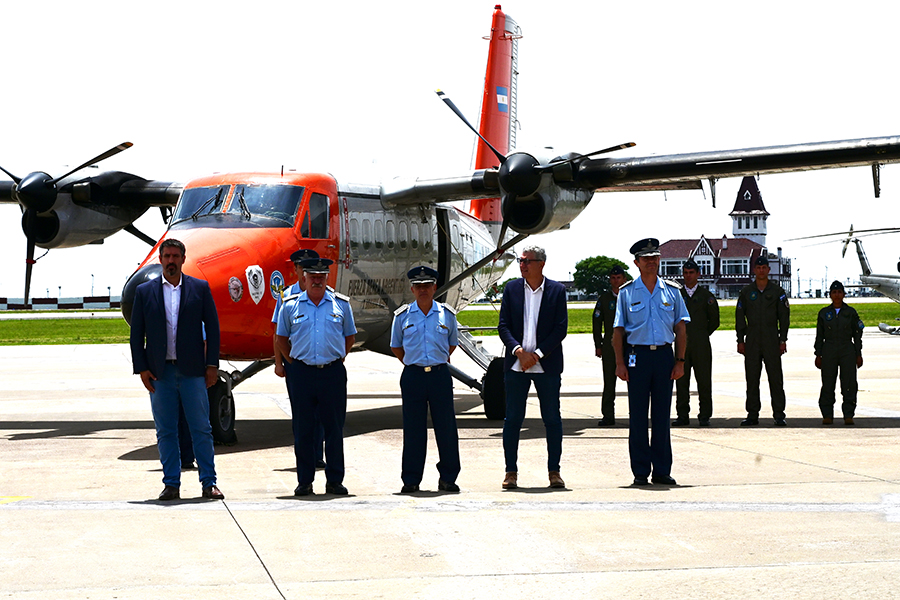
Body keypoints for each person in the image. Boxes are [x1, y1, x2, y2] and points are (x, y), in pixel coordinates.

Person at [129, 238, 224, 501]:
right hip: (161, 373)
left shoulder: (200, 289)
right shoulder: (145, 292)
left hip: (193, 371)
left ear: (183, 259)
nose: (171, 261)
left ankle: (209, 482)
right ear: (160, 260)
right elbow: (136, 334)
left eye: (175, 256)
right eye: (166, 256)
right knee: (166, 430)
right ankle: (171, 483)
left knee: (201, 428)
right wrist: (142, 369)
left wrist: (212, 365)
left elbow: (213, 330)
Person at [275, 257, 356, 496]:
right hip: (302, 374)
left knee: (334, 428)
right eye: (313, 276)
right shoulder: (290, 305)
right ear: (304, 278)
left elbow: (349, 336)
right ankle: (304, 481)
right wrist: (293, 363)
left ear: (327, 278)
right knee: (303, 429)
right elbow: (281, 338)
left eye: (322, 276)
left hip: (332, 373)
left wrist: (336, 358)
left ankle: (334, 480)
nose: (317, 281)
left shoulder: (341, 305)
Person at [613, 238, 689, 486]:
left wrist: (680, 361)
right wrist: (620, 363)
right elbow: (618, 332)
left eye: (655, 258)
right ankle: (640, 472)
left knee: (661, 416)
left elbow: (680, 328)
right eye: (646, 259)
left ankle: (662, 470)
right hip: (637, 357)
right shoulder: (626, 292)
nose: (651, 263)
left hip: (664, 357)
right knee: (637, 417)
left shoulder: (672, 291)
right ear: (636, 262)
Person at [497, 246, 568, 490]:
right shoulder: (512, 289)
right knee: (513, 419)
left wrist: (536, 355)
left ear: (541, 264)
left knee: (552, 419)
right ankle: (510, 472)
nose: (522, 264)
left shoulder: (557, 291)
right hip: (516, 365)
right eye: (521, 260)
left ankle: (554, 471)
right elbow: (503, 325)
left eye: (527, 261)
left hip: (545, 365)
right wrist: (518, 351)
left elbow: (561, 328)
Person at [390, 266, 461, 494]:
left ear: (434, 287)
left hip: (440, 374)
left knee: (446, 428)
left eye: (427, 285)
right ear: (412, 289)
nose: (423, 290)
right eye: (418, 286)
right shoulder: (402, 316)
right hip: (413, 376)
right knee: (413, 430)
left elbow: (452, 344)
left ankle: (448, 478)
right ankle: (411, 479)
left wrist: (434, 361)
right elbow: (396, 346)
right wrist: (414, 362)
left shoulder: (446, 314)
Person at [272, 248, 326, 469]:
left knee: (321, 410)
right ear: (295, 270)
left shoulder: (325, 293)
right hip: (295, 362)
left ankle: (317, 454)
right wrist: (280, 362)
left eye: (309, 267)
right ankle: (304, 456)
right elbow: (278, 333)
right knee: (301, 412)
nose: (305, 271)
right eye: (301, 268)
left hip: (321, 362)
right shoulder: (286, 296)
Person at [735, 255, 790, 426]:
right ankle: (752, 414)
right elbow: (739, 317)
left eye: (763, 267)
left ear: (768, 269)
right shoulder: (746, 292)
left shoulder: (777, 292)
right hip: (752, 339)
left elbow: (784, 317)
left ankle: (779, 414)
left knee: (775, 378)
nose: (761, 270)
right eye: (758, 268)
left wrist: (783, 339)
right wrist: (740, 339)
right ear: (754, 270)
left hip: (771, 339)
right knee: (752, 378)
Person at [672, 259, 720, 427]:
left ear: (698, 274)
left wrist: (701, 333)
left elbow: (715, 321)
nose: (688, 276)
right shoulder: (676, 296)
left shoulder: (707, 297)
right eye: (685, 273)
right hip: (681, 346)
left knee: (704, 381)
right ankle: (682, 415)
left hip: (701, 344)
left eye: (691, 273)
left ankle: (705, 415)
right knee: (681, 381)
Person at [814, 280, 864, 426]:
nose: (837, 295)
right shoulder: (824, 313)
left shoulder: (850, 313)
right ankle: (827, 414)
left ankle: (848, 414)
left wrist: (858, 353)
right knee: (828, 383)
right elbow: (819, 335)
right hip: (829, 349)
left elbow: (857, 334)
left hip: (847, 349)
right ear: (830, 295)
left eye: (839, 292)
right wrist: (818, 354)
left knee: (849, 383)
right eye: (834, 292)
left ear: (843, 294)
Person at [592, 265, 627, 426]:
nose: (616, 281)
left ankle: (635, 414)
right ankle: (608, 415)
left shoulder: (630, 296)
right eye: (613, 278)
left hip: (630, 345)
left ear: (624, 279)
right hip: (609, 346)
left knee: (634, 382)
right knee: (609, 382)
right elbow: (597, 323)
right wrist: (598, 344)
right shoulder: (604, 299)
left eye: (619, 277)